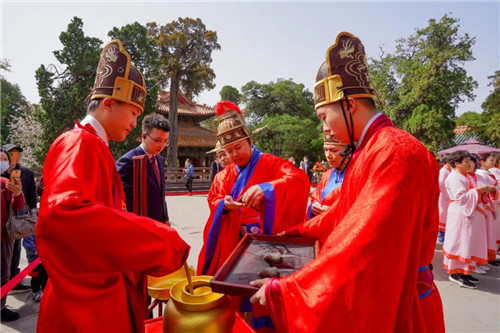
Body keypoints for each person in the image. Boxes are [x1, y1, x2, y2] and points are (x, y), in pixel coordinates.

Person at [250, 32, 445, 332]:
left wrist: (285, 290)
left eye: (324, 116)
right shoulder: (373, 150)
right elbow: (343, 215)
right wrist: (295, 234)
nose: (325, 128)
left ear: (349, 104)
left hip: (400, 302)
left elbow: (365, 245)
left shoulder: (396, 152)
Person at [35, 40, 190, 333]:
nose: (135, 123)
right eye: (132, 113)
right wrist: (156, 239)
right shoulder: (79, 143)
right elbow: (64, 215)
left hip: (97, 289)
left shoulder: (95, 146)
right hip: (85, 303)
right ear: (108, 104)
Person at [198, 101, 309, 329]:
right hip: (235, 245)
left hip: (265, 243)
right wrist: (224, 205)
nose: (234, 154)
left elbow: (299, 180)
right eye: (228, 151)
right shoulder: (224, 175)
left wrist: (267, 188)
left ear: (249, 140)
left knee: (262, 299)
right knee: (237, 297)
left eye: (238, 147)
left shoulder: (271, 163)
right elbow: (214, 198)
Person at [443, 152, 492, 285]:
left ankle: (464, 271)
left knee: (467, 244)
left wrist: (481, 192)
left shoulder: (464, 176)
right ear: (457, 163)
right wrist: (478, 191)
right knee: (460, 243)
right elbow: (460, 197)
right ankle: (455, 273)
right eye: (466, 161)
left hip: (468, 213)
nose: (470, 164)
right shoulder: (454, 177)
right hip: (460, 214)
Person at [117, 113, 171, 224]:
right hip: (140, 225)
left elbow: (161, 194)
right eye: (157, 140)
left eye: (165, 141)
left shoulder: (160, 160)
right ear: (144, 136)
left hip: (159, 223)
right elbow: (123, 201)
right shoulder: (128, 161)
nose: (161, 145)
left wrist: (165, 218)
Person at [1, 143, 37, 293]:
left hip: (20, 217)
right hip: (5, 220)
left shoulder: (27, 173)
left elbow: (31, 195)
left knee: (16, 249)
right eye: (10, 153)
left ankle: (14, 278)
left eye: (16, 153)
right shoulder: (3, 176)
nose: (14, 156)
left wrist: (32, 212)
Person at [0, 150, 25, 322]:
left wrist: (17, 193)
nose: (2, 162)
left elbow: (18, 206)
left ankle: (1, 307)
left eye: (4, 159)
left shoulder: (5, 183)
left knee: (3, 275)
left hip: (3, 238)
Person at [306, 133, 346, 220]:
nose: (328, 155)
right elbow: (315, 197)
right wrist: (313, 206)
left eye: (334, 150)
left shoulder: (355, 173)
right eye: (325, 150)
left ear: (347, 151)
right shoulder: (328, 174)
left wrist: (334, 212)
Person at [475, 152, 499, 266]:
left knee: (491, 233)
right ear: (482, 162)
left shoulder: (489, 173)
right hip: (485, 206)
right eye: (491, 160)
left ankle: (489, 257)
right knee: (485, 234)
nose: (493, 162)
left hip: (492, 206)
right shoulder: (479, 174)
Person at [438, 154, 452, 243]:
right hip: (444, 196)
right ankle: (441, 236)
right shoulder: (443, 171)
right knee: (443, 215)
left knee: (446, 216)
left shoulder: (449, 171)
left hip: (449, 196)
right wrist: (447, 195)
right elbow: (440, 184)